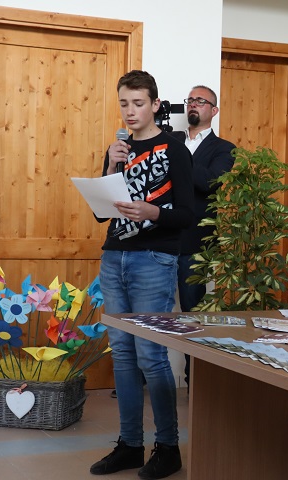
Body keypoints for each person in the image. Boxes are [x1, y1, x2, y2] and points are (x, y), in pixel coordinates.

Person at [90, 70, 194, 479]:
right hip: (114, 257)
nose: (130, 111)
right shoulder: (118, 149)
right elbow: (101, 213)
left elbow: (187, 214)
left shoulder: (174, 149)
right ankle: (130, 445)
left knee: (151, 354)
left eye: (138, 103)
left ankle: (168, 448)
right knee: (122, 354)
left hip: (154, 258)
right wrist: (109, 166)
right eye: (124, 104)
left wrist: (153, 212)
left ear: (155, 105)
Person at [170, 85, 235, 387]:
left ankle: (193, 379)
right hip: (160, 238)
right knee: (147, 311)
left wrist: (177, 157)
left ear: (214, 110)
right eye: (190, 100)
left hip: (196, 243)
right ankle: (142, 376)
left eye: (200, 101)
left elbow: (209, 182)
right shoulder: (171, 139)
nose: (193, 105)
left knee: (192, 314)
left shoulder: (223, 149)